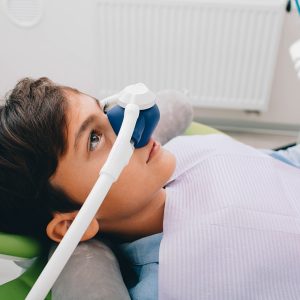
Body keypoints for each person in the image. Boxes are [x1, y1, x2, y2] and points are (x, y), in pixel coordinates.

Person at [1, 77, 300, 299]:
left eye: (105, 111)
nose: (130, 127)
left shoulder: (189, 149)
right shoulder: (170, 286)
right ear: (70, 225)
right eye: (94, 138)